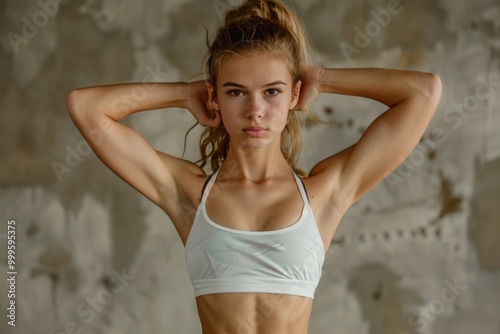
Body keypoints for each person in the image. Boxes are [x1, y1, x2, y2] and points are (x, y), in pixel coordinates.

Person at [66, 0, 442, 332]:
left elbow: (423, 93)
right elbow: (86, 108)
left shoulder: (323, 194)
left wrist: (323, 79)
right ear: (213, 97)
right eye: (235, 92)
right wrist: (184, 93)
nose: (255, 110)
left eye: (272, 91)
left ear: (294, 94)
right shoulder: (189, 194)